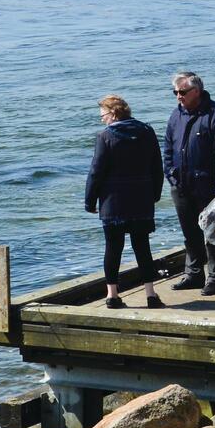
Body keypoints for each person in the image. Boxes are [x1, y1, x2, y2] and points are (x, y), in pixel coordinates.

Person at [85, 94, 165, 309]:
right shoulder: (147, 131)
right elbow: (157, 167)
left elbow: (96, 172)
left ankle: (112, 295)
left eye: (103, 115)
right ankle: (151, 294)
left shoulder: (105, 136)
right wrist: (155, 194)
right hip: (142, 198)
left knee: (113, 248)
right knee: (142, 246)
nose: (102, 119)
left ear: (113, 114)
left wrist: (90, 201)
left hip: (113, 202)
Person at [163, 72, 215, 296]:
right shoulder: (176, 115)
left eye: (182, 92)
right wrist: (171, 175)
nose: (178, 96)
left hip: (208, 186)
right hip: (181, 185)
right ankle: (194, 274)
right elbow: (167, 148)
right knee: (190, 233)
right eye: (175, 92)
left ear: (197, 91)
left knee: (213, 234)